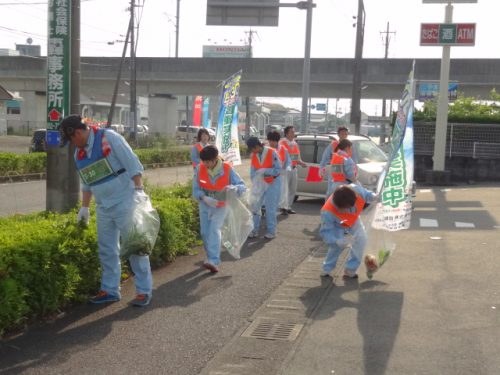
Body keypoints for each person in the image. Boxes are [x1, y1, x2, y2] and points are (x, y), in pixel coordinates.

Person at [58, 115, 153, 306]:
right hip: (103, 207)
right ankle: (110, 290)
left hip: (126, 201)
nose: (71, 144)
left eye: (70, 140)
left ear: (77, 133)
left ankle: (144, 291)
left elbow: (132, 163)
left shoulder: (109, 138)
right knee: (107, 249)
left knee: (136, 247)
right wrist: (84, 207)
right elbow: (87, 183)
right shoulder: (80, 154)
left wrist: (139, 191)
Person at [192, 145, 246, 273]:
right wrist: (204, 198)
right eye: (203, 161)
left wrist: (235, 188)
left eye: (208, 161)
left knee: (214, 229)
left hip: (222, 206)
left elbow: (241, 186)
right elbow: (195, 189)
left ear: (215, 159)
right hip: (205, 205)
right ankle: (210, 256)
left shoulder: (227, 168)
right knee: (205, 232)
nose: (205, 164)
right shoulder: (199, 169)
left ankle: (213, 260)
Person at [319, 184, 377, 279]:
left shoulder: (356, 190)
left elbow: (367, 194)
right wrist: (336, 241)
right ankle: (327, 268)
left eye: (350, 207)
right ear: (337, 205)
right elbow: (326, 232)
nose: (348, 210)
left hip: (354, 219)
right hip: (337, 225)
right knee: (336, 247)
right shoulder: (327, 212)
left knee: (362, 239)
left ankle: (350, 269)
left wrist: (374, 196)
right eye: (344, 209)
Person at [246, 136, 282, 239]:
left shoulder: (272, 152)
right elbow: (252, 172)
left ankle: (272, 231)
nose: (252, 152)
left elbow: (278, 169)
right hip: (260, 184)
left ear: (257, 146)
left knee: (270, 208)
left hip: (273, 183)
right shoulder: (254, 155)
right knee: (255, 207)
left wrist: (265, 171)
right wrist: (255, 181)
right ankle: (254, 230)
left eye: (252, 149)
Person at [278, 126, 307, 214]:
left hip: (294, 168)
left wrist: (301, 162)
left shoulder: (294, 143)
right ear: (286, 133)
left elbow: (297, 156)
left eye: (294, 132)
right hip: (285, 169)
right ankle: (283, 207)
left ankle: (288, 206)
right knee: (285, 189)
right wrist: (298, 161)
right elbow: (283, 157)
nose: (294, 134)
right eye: (292, 132)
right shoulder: (282, 143)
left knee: (293, 189)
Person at [267, 130, 291, 215]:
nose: (271, 143)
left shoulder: (283, 149)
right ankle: (267, 208)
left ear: (277, 140)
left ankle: (282, 207)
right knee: (269, 193)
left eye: (273, 141)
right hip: (269, 175)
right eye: (270, 141)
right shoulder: (266, 150)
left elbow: (288, 161)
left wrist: (287, 168)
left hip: (281, 175)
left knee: (282, 192)